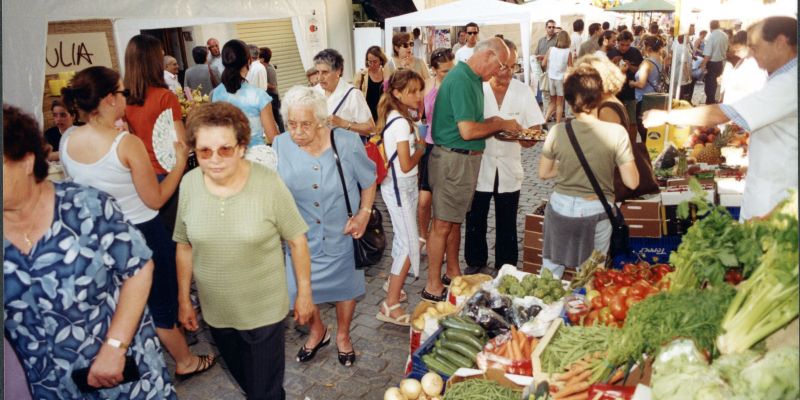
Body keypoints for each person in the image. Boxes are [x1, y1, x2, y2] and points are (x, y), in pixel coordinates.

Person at [3, 104, 176, 399]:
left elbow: (139, 267)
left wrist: (115, 346)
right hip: (52, 387)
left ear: (26, 161)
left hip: (123, 376)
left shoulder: (86, 207)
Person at [60, 66, 215, 382]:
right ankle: (184, 360)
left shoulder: (68, 139)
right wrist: (181, 162)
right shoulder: (124, 143)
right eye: (121, 92)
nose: (125, 98)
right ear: (107, 100)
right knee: (162, 304)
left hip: (100, 236)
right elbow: (155, 199)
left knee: (125, 301)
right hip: (142, 233)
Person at [175, 102, 312, 399]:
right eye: (204, 151)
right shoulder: (188, 185)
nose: (214, 160)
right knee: (251, 384)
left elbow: (297, 239)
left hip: (263, 312)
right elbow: (184, 245)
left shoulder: (267, 184)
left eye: (224, 149)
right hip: (217, 313)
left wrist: (304, 293)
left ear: (240, 147)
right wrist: (184, 298)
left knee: (264, 392)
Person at [644, 16, 797, 222]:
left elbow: (721, 113)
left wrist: (666, 116)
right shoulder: (782, 78)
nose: (751, 53)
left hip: (775, 200)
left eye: (756, 47)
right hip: (769, 192)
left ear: (780, 42)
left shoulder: (790, 82)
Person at [273, 86, 377, 367]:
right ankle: (318, 331)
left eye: (305, 124)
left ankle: (343, 335)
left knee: (346, 289)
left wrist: (364, 214)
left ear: (321, 120)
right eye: (291, 124)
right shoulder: (280, 145)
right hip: (300, 239)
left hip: (341, 233)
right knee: (300, 293)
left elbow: (369, 180)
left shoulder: (346, 142)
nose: (296, 131)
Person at [425, 38, 522, 297]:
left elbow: (473, 122)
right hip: (453, 161)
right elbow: (467, 131)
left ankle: (453, 271)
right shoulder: (461, 80)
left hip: (463, 161)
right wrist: (499, 123)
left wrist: (492, 120)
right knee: (443, 224)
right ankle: (432, 284)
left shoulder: (472, 79)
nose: (501, 72)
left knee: (455, 221)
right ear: (488, 55)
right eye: (502, 65)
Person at [538, 66, 639, 278]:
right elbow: (632, 182)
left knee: (550, 274)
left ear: (568, 100)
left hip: (559, 208)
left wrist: (567, 166)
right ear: (599, 94)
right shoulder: (616, 133)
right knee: (590, 277)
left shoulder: (557, 131)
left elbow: (544, 173)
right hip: (596, 210)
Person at [465, 40, 543, 272]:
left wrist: (528, 138)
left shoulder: (522, 91)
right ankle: (475, 261)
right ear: (493, 63)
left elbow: (535, 127)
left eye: (513, 66)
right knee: (476, 216)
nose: (508, 71)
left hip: (509, 166)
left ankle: (506, 265)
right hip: (480, 165)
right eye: (504, 66)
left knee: (507, 219)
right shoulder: (478, 89)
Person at [375, 70, 427, 326]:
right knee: (409, 243)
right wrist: (421, 149)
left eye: (420, 90)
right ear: (397, 93)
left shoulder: (398, 117)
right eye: (413, 91)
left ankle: (393, 284)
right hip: (399, 187)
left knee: (403, 239)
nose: (419, 96)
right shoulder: (399, 123)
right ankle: (390, 303)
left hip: (399, 187)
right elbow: (406, 164)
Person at [124, 34, 186, 233]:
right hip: (167, 174)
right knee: (178, 239)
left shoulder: (123, 99)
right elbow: (181, 144)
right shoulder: (164, 97)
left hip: (138, 176)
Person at [419, 48, 455, 257]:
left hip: (448, 146)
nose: (449, 75)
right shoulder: (427, 85)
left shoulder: (455, 86)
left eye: (452, 70)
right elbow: (418, 112)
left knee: (443, 201)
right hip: (430, 144)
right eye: (444, 71)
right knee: (424, 200)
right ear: (434, 70)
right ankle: (423, 236)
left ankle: (439, 242)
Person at [211, 39, 280, 145]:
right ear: (249, 61)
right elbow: (274, 139)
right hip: (256, 158)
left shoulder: (215, 94)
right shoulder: (259, 96)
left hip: (228, 157)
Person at [313, 48, 376, 137]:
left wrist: (343, 123)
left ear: (338, 71)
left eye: (325, 72)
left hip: (346, 148)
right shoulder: (314, 92)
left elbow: (371, 129)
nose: (319, 78)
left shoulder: (353, 95)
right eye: (317, 72)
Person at [628, 35, 665, 138]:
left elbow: (641, 84)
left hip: (644, 100)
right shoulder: (660, 60)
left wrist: (631, 83)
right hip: (656, 98)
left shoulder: (647, 63)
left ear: (648, 48)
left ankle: (646, 151)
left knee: (644, 130)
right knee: (653, 131)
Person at [607, 30, 643, 128]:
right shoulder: (611, 53)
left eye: (627, 45)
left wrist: (630, 66)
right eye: (622, 45)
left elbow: (640, 70)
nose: (624, 48)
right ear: (617, 42)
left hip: (631, 93)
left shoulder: (635, 52)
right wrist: (614, 64)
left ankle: (631, 142)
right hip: (616, 93)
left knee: (632, 122)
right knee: (616, 122)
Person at [720, 30, 767, 104]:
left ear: (749, 47)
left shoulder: (756, 65)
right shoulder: (743, 60)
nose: (735, 53)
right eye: (734, 51)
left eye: (738, 50)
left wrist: (729, 81)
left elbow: (757, 88)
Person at [543, 31, 573, 124]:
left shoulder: (551, 49)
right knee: (559, 103)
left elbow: (543, 63)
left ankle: (544, 120)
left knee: (552, 102)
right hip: (560, 79)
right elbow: (571, 68)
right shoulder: (568, 52)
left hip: (551, 78)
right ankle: (557, 124)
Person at [353, 45, 388, 123]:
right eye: (369, 62)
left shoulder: (387, 74)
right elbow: (354, 98)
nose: (372, 65)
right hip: (366, 119)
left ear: (381, 61)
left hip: (383, 117)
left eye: (375, 62)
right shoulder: (361, 75)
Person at [700, 20, 729, 104]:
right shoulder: (725, 35)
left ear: (710, 27)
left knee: (710, 86)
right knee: (716, 84)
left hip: (712, 63)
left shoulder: (711, 36)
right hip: (720, 63)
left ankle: (710, 103)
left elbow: (708, 55)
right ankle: (713, 101)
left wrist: (703, 65)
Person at [260, 47, 284, 133]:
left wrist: (262, 83)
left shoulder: (270, 69)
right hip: (269, 96)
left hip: (273, 97)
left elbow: (274, 86)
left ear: (262, 59)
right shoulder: (263, 68)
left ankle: (282, 134)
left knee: (277, 117)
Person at [536, 20, 558, 115]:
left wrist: (544, 57)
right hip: (542, 71)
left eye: (553, 27)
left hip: (553, 71)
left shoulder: (557, 40)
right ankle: (547, 114)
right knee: (545, 94)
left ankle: (548, 114)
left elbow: (558, 55)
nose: (552, 29)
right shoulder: (541, 40)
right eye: (549, 27)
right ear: (546, 28)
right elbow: (536, 53)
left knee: (553, 95)